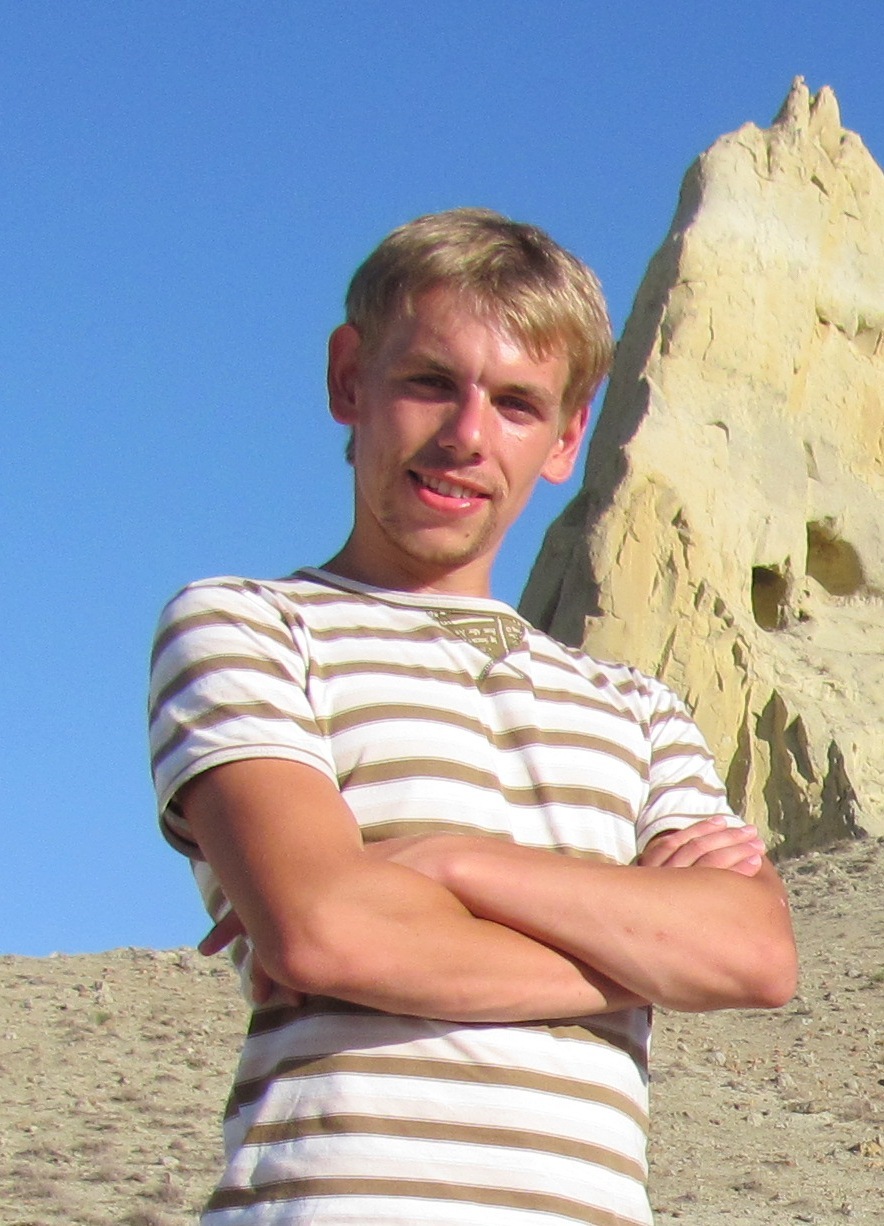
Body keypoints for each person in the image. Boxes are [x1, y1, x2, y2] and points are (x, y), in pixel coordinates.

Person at [148, 208, 797, 1226]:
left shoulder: (638, 706)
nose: (465, 435)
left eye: (516, 403)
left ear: (567, 437)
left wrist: (448, 861)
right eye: (428, 382)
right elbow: (325, 932)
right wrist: (642, 962)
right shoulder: (249, 625)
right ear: (348, 379)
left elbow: (752, 956)